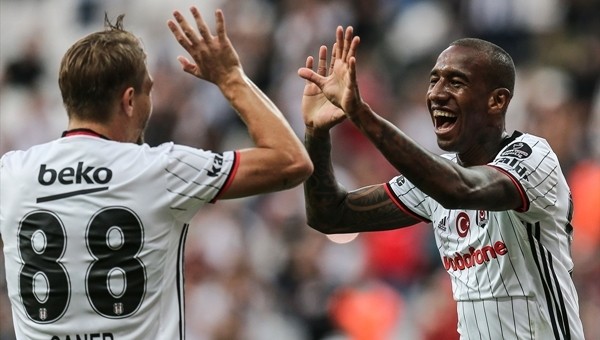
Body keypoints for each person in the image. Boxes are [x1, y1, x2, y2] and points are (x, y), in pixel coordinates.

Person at [0, 6, 312, 340]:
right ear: (130, 100)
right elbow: (292, 161)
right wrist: (231, 79)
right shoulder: (160, 170)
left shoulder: (11, 174)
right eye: (149, 89)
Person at [298, 26, 585, 339]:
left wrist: (360, 113)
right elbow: (329, 215)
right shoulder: (436, 179)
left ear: (497, 101)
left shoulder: (532, 157)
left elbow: (459, 190)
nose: (436, 93)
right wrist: (316, 133)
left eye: (456, 81)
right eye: (433, 80)